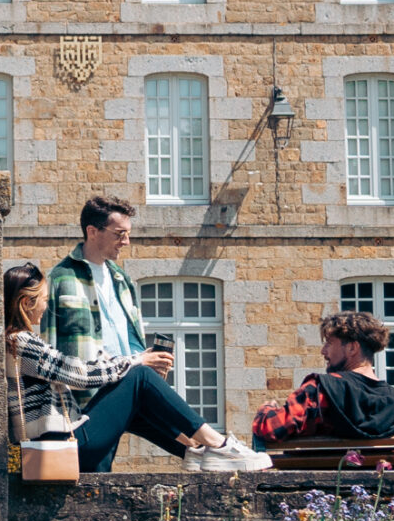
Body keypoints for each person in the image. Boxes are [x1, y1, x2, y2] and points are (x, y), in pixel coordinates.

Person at [26, 196, 269, 473]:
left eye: (128, 234)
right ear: (92, 232)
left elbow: (130, 340)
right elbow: (54, 355)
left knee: (145, 390)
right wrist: (138, 366)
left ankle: (203, 452)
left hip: (122, 387)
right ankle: (218, 446)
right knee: (137, 383)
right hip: (86, 402)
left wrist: (149, 359)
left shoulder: (122, 279)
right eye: (120, 234)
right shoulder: (61, 278)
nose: (126, 242)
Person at [250, 309, 394, 448]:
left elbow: (269, 429)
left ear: (352, 348)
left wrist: (266, 409)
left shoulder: (320, 390)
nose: (323, 351)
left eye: (329, 343)